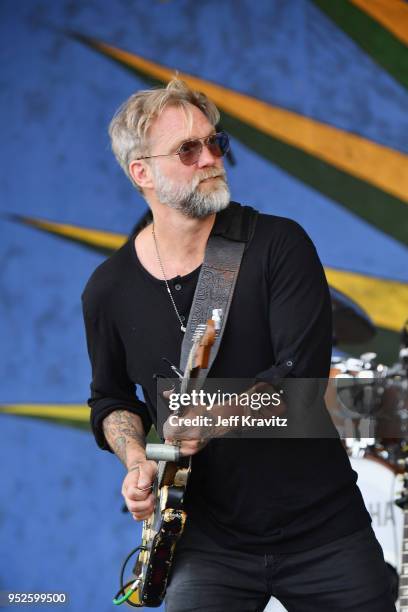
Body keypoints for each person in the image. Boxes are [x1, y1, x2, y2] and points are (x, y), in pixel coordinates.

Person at [82, 78, 395, 611]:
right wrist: (135, 456)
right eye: (188, 148)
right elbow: (112, 399)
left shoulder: (277, 245)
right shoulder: (109, 289)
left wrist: (211, 418)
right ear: (142, 173)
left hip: (322, 528)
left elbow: (300, 381)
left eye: (215, 142)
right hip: (204, 538)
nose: (211, 157)